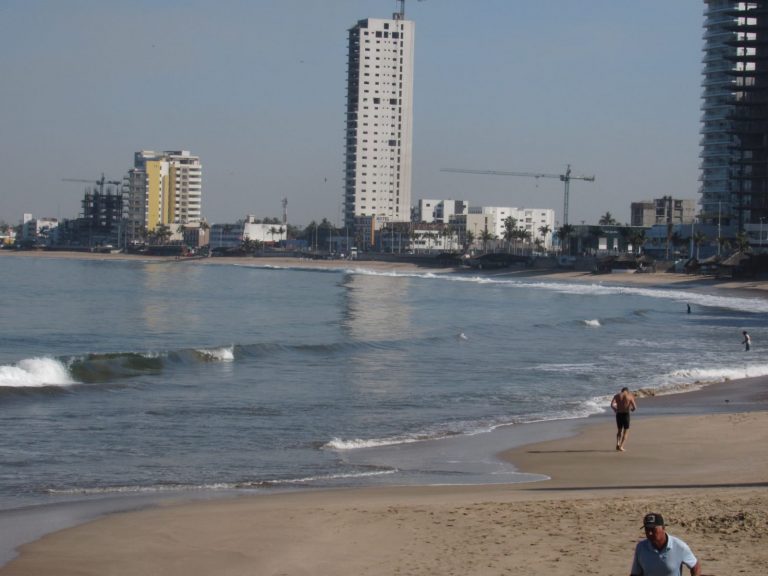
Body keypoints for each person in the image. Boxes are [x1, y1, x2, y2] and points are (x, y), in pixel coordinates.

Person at [630, 512, 701, 576]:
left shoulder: (679, 546)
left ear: (663, 528)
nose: (649, 533)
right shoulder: (641, 547)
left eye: (653, 529)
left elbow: (695, 566)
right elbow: (635, 573)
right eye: (647, 529)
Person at [611, 387, 636, 451]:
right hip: (626, 415)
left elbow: (612, 405)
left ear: (622, 391)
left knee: (619, 430)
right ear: (627, 391)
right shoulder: (629, 396)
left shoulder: (616, 396)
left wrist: (615, 409)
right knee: (625, 432)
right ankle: (621, 446)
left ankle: (617, 443)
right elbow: (634, 407)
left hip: (618, 414)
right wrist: (631, 409)